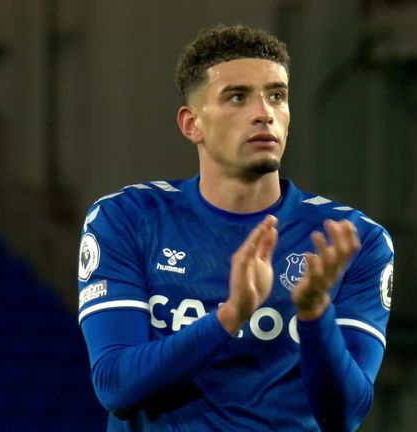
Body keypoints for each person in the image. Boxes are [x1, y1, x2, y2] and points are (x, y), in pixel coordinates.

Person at [77, 24, 395, 431]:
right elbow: (115, 385)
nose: (264, 113)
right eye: (237, 97)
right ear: (192, 124)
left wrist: (316, 313)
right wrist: (231, 315)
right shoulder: (128, 218)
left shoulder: (351, 239)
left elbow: (343, 414)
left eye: (276, 95)